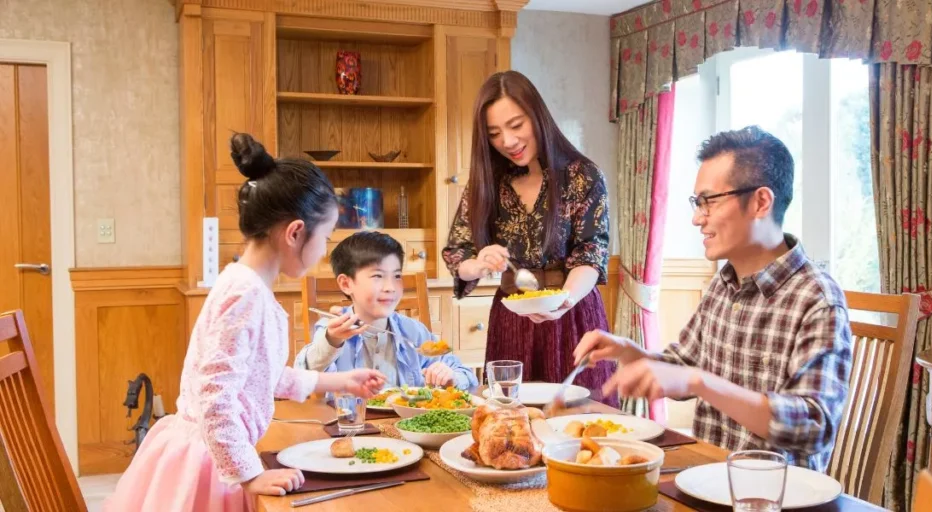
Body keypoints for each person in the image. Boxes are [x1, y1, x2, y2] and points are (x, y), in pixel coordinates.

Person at [106, 134, 387, 511]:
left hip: (221, 454)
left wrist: (341, 381)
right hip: (212, 466)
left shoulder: (247, 285)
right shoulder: (245, 294)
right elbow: (215, 395)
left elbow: (262, 375)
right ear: (295, 233)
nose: (324, 251)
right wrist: (249, 474)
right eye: (326, 238)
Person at [575, 126, 852, 470]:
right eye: (697, 203)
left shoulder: (817, 299)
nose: (697, 218)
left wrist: (700, 381)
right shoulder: (724, 283)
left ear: (761, 202)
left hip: (774, 491)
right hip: (707, 478)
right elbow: (683, 369)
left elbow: (814, 426)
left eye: (709, 201)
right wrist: (627, 352)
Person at [441, 70, 616, 406]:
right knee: (510, 419)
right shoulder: (487, 183)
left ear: (537, 115)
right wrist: (478, 264)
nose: (507, 141)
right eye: (494, 133)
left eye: (516, 125)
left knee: (582, 418)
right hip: (512, 319)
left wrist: (563, 302)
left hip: (573, 314)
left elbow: (591, 253)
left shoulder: (583, 176)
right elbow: (458, 255)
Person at [294, 231, 479, 390]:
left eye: (397, 276)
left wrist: (451, 377)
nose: (390, 287)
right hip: (351, 420)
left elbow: (467, 376)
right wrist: (332, 341)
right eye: (378, 276)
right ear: (346, 284)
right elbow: (302, 378)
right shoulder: (332, 330)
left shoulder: (413, 332)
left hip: (406, 420)